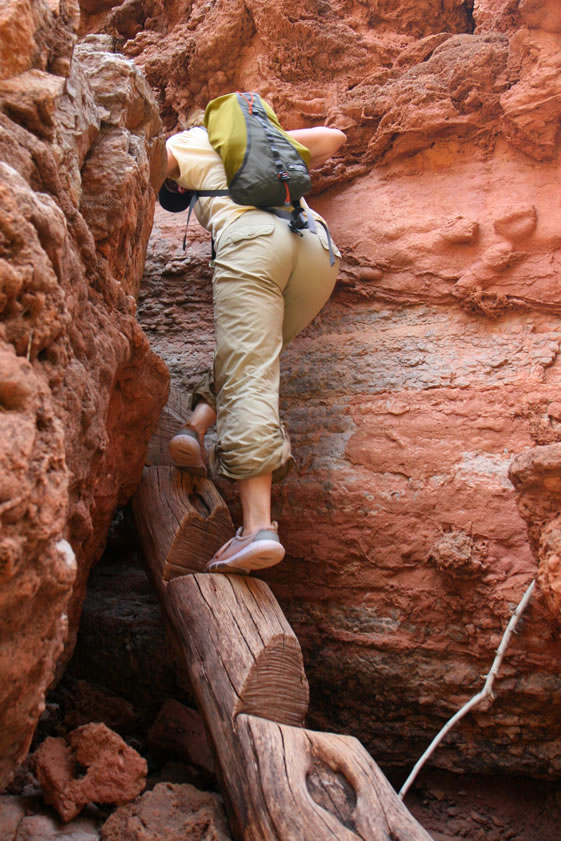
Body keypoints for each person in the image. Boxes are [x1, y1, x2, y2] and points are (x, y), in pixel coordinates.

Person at [163, 109, 346, 575]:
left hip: (254, 241)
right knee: (253, 358)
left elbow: (145, 157)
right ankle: (196, 426)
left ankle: (257, 528)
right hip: (317, 249)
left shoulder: (186, 144)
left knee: (249, 374)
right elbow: (333, 137)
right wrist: (277, 136)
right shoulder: (258, 140)